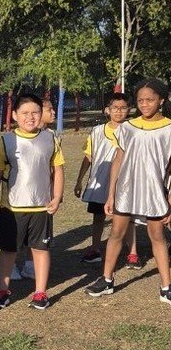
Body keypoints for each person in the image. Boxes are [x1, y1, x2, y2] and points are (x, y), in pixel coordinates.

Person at [86, 78, 171, 303]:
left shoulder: (169, 128)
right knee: (116, 233)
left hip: (154, 192)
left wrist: (169, 198)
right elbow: (118, 160)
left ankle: (166, 286)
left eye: (150, 100)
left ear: (161, 100)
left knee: (157, 236)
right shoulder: (128, 127)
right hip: (126, 190)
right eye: (141, 100)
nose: (145, 104)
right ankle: (106, 279)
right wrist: (111, 193)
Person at [0, 92, 64, 310]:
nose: (30, 117)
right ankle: (2, 291)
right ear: (14, 115)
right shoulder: (6, 141)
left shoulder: (50, 139)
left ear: (41, 114)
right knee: (8, 250)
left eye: (35, 112)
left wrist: (57, 197)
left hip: (41, 207)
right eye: (24, 113)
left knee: (40, 249)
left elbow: (58, 170)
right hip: (12, 208)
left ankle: (40, 293)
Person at [75, 93, 139, 267]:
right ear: (107, 110)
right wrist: (79, 180)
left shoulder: (133, 131)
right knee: (98, 216)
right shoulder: (97, 131)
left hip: (125, 182)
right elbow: (88, 156)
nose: (118, 112)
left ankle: (132, 253)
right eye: (115, 108)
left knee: (128, 217)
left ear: (129, 110)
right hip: (100, 183)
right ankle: (95, 249)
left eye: (123, 108)